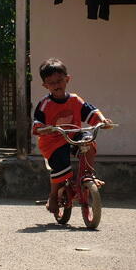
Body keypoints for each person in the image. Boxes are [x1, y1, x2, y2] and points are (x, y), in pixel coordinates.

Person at [32, 58, 113, 213]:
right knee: (61, 166)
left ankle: (88, 174)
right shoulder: (45, 105)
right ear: (45, 85)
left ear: (67, 79)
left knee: (88, 139)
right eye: (51, 83)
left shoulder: (75, 100)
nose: (56, 85)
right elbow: (37, 122)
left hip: (72, 136)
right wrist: (43, 129)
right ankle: (54, 195)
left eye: (60, 81)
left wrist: (103, 121)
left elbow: (90, 111)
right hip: (53, 142)